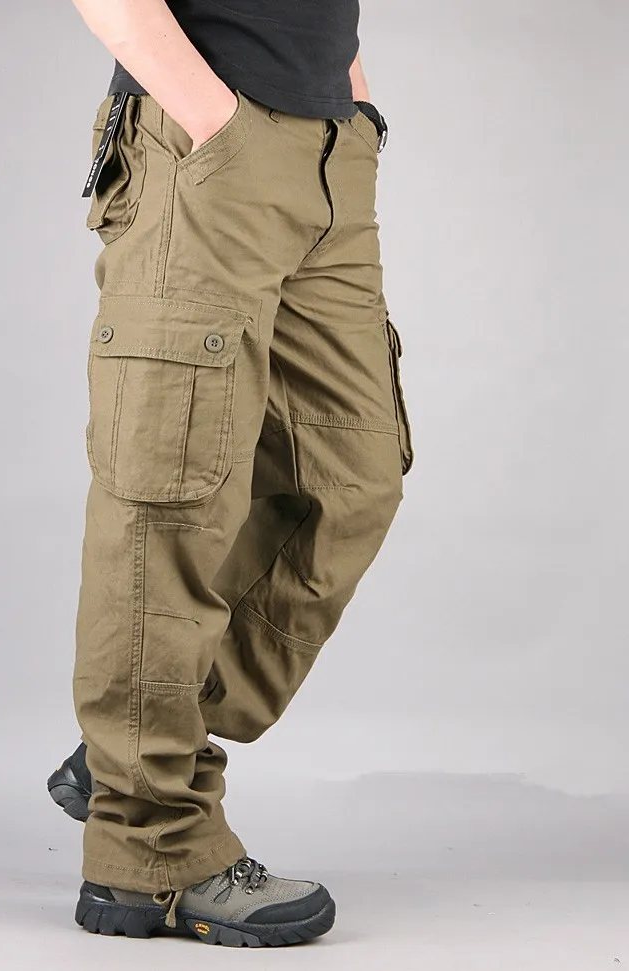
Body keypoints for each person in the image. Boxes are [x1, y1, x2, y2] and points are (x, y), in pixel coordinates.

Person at [53, 0, 413, 948]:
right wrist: (216, 123)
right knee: (168, 496)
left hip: (328, 147)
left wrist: (352, 108)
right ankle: (149, 846)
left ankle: (136, 741)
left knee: (353, 476)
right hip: (207, 140)